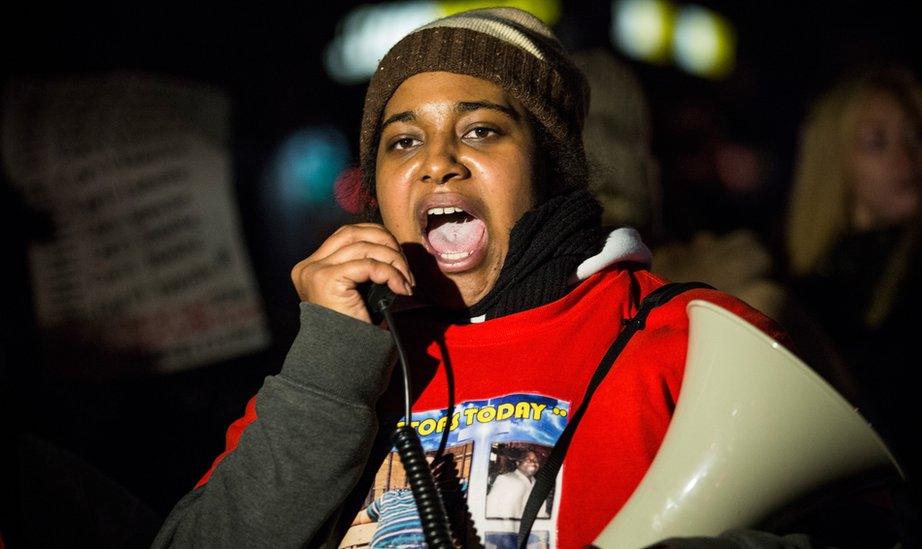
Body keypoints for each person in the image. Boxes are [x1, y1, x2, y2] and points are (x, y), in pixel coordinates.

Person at [152, 8, 789, 548]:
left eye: (480, 131)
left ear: (551, 169)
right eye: (402, 142)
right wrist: (328, 372)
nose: (437, 162)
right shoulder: (342, 360)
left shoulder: (689, 338)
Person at [785, 67, 922, 545]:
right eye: (877, 142)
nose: (907, 157)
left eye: (918, 137)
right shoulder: (811, 279)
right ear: (835, 162)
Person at [485, 449, 546, 520]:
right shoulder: (505, 479)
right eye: (528, 459)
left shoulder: (539, 485)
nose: (533, 462)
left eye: (536, 461)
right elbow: (490, 509)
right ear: (518, 463)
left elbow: (541, 513)